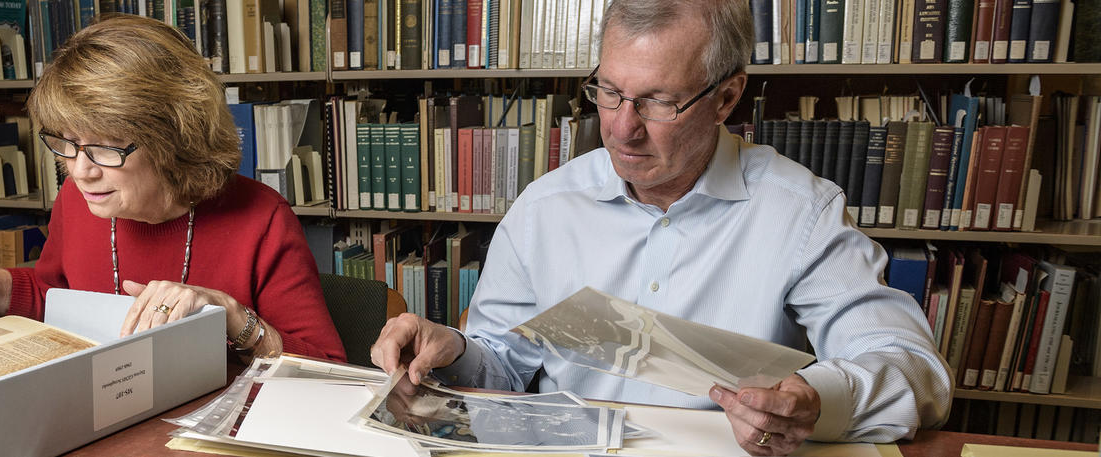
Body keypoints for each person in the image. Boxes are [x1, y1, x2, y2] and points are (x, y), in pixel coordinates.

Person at [369, 0, 951, 455]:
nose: (622, 129)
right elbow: (507, 366)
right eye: (611, 92)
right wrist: (453, 353)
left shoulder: (801, 212)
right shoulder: (544, 207)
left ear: (726, 98)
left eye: (657, 102)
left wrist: (811, 401)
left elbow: (912, 369)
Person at [0, 14, 346, 363]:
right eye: (67, 143)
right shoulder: (79, 198)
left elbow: (328, 368)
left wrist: (233, 316)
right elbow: (54, 295)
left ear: (173, 139)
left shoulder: (261, 217)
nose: (79, 170)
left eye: (106, 147)